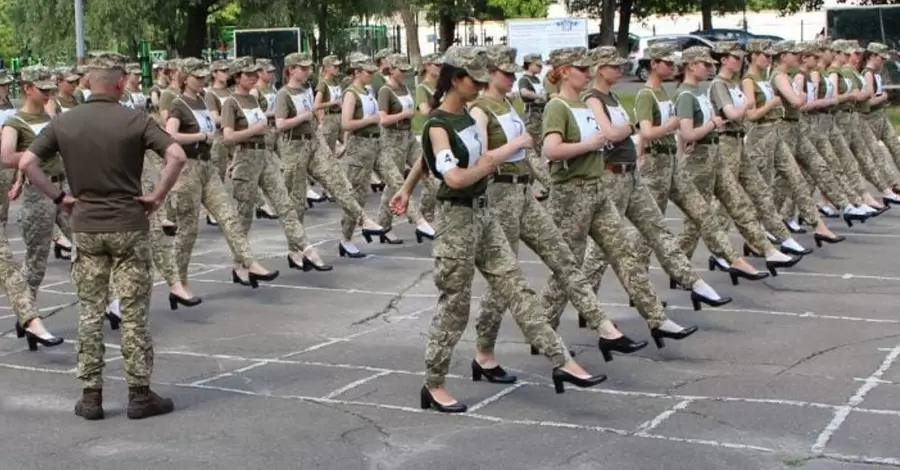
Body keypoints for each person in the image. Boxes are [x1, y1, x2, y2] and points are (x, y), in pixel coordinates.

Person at [391, 46, 607, 412]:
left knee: (517, 287)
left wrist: (407, 186)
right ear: (455, 80)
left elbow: (426, 160)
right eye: (473, 80)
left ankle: (562, 360)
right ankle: (434, 383)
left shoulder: (463, 118)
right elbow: (455, 176)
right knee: (455, 307)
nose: (479, 85)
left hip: (483, 214)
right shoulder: (439, 124)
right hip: (456, 220)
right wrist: (493, 160)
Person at [4, 51, 186, 420]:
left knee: (90, 311)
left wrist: (59, 196)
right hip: (128, 225)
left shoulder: (65, 122)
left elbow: (26, 163)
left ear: (87, 82)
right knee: (133, 313)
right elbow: (178, 156)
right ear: (120, 82)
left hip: (85, 225)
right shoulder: (135, 119)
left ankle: (91, 396)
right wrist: (156, 196)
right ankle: (139, 394)